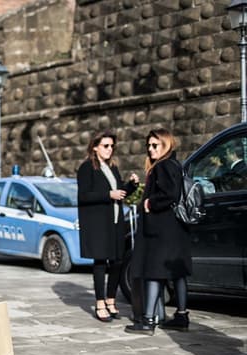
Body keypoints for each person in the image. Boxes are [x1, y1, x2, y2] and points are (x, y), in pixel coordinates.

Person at [125, 128, 192, 334]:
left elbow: (169, 194)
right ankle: (181, 316)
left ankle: (147, 321)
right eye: (149, 145)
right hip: (175, 229)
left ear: (166, 144)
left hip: (160, 230)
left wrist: (150, 203)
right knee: (177, 273)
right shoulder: (175, 164)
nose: (150, 149)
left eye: (155, 145)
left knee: (153, 272)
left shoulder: (162, 166)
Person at [76, 131, 138, 322]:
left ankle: (111, 300)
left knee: (118, 261)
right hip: (98, 224)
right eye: (105, 146)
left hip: (116, 222)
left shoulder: (112, 167)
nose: (110, 149)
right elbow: (83, 196)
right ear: (95, 147)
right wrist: (108, 195)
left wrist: (131, 186)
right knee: (101, 262)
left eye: (112, 146)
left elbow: (119, 193)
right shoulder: (87, 168)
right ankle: (100, 302)